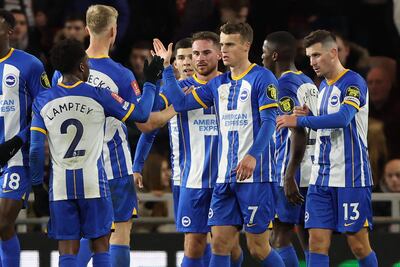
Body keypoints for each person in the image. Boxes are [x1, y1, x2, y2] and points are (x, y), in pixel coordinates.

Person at [158, 22, 285, 267]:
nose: (224, 50)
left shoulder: (262, 78)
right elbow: (181, 104)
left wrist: (252, 155)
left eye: (229, 44)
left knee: (258, 248)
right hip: (225, 178)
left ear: (246, 45)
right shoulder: (218, 84)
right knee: (219, 244)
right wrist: (166, 68)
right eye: (223, 44)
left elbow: (270, 122)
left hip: (256, 177)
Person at [51, 5, 169, 267]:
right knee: (118, 234)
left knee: (82, 237)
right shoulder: (121, 74)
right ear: (114, 31)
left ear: (86, 27)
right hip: (113, 166)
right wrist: (161, 87)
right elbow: (145, 123)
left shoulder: (62, 71)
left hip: (74, 170)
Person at [276, 29, 378, 267]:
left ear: (333, 53)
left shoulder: (353, 82)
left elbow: (342, 118)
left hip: (350, 176)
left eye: (317, 56)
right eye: (309, 56)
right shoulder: (321, 88)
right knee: (317, 242)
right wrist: (308, 115)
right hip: (321, 178)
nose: (311, 62)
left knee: (358, 244)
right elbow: (323, 123)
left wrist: (300, 120)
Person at [262, 31, 318, 266]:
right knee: (307, 238)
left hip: (291, 169)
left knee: (278, 236)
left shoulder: (283, 84)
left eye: (263, 52)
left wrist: (288, 175)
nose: (261, 57)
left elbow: (297, 130)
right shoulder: (306, 80)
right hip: (310, 169)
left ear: (274, 55)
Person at [0, 9, 50, 267]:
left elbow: (47, 110)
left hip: (15, 158)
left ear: (10, 31)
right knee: (4, 229)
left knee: (2, 221)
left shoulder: (30, 64)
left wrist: (18, 140)